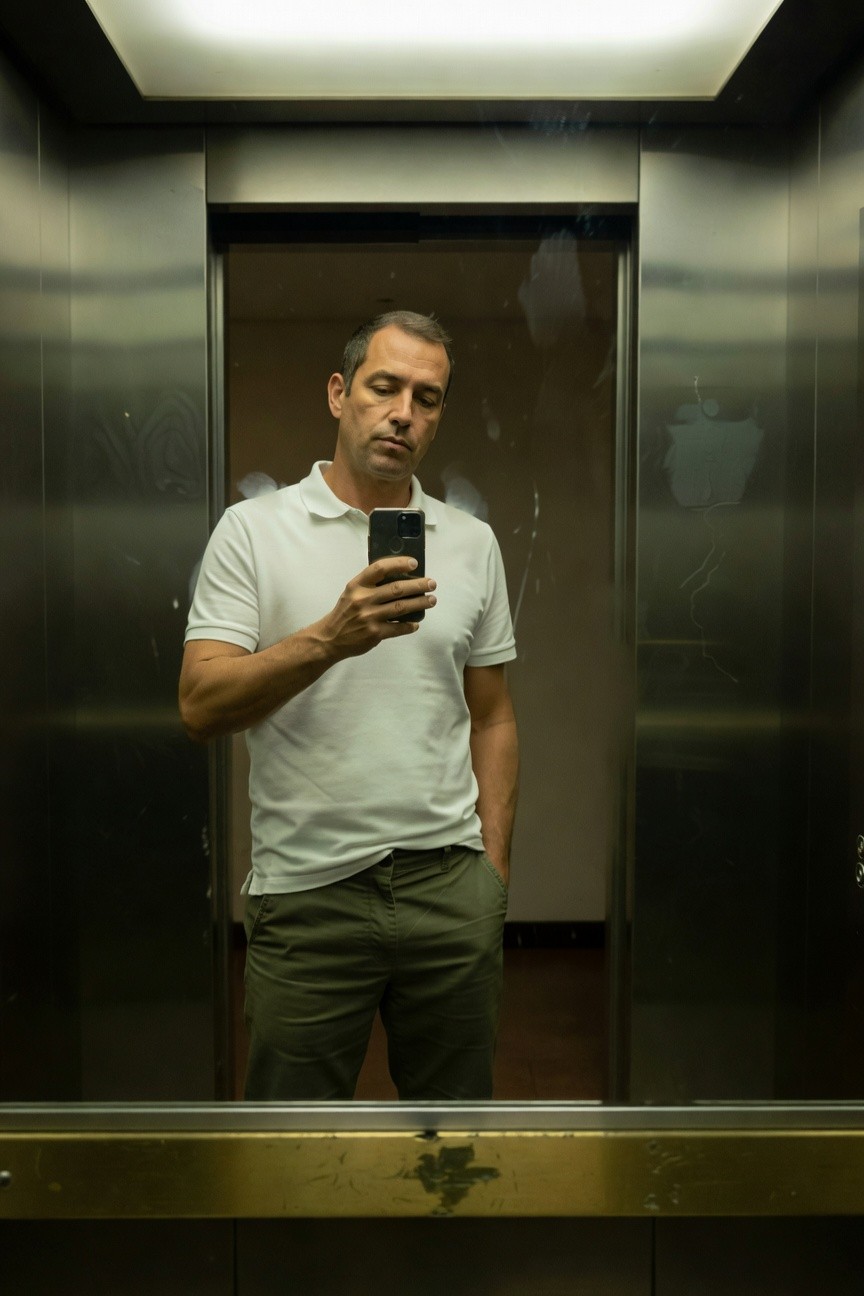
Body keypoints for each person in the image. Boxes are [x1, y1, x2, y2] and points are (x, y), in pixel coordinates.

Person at [179, 310, 519, 1101]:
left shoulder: (472, 544)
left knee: (454, 1137)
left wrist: (492, 874)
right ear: (339, 393)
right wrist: (330, 638)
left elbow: (494, 715)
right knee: (291, 1145)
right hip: (308, 893)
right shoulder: (252, 532)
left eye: (427, 398)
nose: (403, 413)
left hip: (450, 887)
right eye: (384, 387)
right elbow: (199, 704)